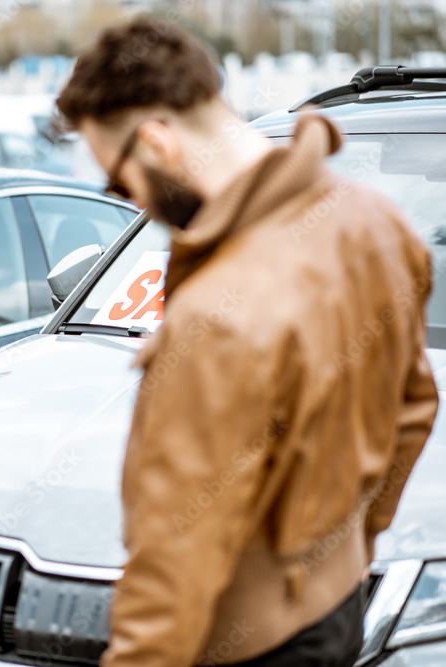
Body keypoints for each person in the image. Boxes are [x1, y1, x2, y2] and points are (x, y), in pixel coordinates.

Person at [55, 16, 439, 667]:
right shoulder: (377, 224)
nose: (133, 202)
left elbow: (170, 570)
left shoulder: (215, 316)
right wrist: (349, 546)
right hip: (336, 605)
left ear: (156, 141)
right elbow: (414, 408)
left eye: (121, 182)